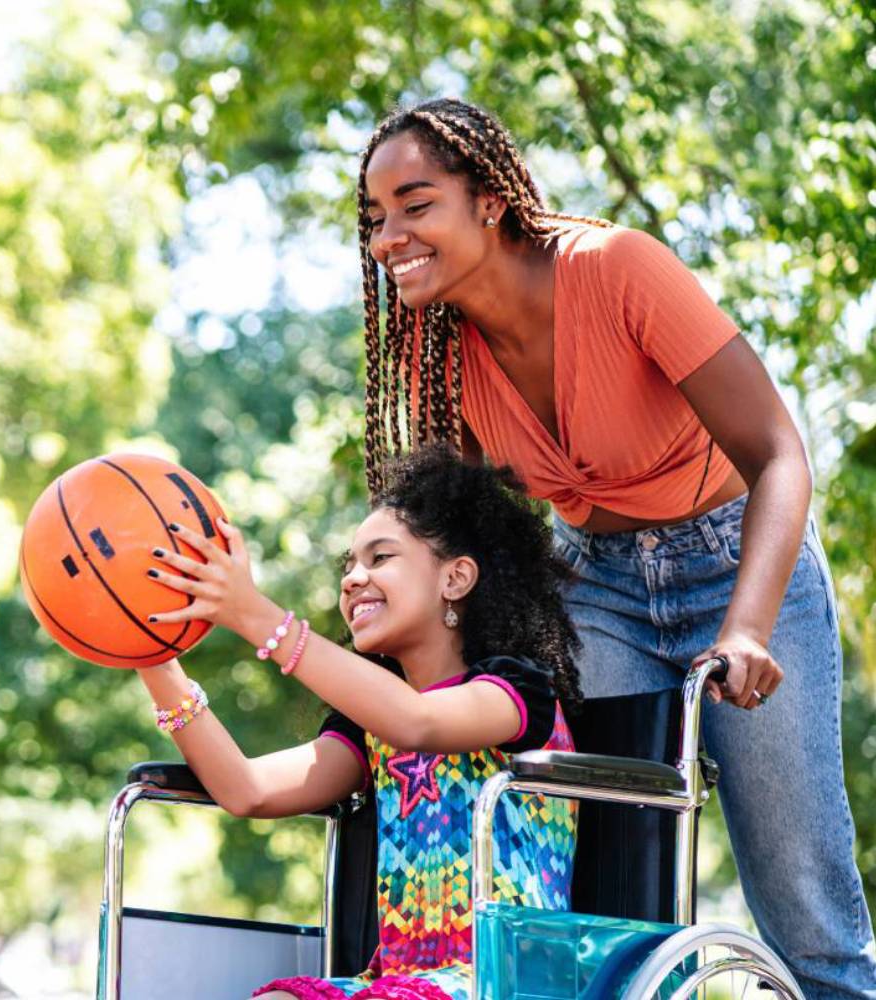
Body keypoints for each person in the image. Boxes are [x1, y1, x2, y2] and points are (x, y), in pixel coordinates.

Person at [354, 96, 876, 999]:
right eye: (375, 217)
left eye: (415, 203)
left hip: (739, 561)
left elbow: (779, 453)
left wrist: (747, 626)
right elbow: (460, 536)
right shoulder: (438, 349)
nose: (388, 236)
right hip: (594, 586)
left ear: (489, 201)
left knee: (800, 894)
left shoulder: (617, 269)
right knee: (605, 884)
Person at [137, 447, 582, 1000]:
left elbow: (416, 722)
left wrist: (254, 614)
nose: (353, 579)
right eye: (349, 564)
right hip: (396, 984)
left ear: (456, 578)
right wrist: (148, 651)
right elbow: (246, 790)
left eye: (380, 558)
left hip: (506, 981)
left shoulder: (517, 694)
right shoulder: (370, 727)